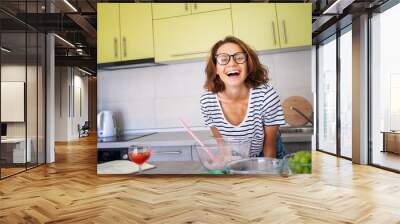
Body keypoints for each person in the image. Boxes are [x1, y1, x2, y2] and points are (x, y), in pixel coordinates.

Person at [200, 36, 286, 158]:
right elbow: (222, 147)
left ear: (248, 65)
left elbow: (269, 147)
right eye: (223, 59)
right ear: (216, 69)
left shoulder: (266, 96)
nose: (232, 63)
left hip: (266, 153)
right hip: (236, 157)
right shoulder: (207, 102)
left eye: (239, 58)